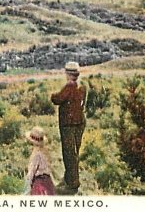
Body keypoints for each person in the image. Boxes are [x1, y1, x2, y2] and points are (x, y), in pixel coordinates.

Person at [50, 61, 86, 192]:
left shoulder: (69, 86)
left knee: (69, 153)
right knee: (74, 152)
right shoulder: (82, 86)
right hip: (79, 122)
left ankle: (72, 184)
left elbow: (57, 99)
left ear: (68, 74)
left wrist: (52, 95)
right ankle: (69, 178)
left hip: (68, 123)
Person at [25, 126, 55, 195]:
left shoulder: (36, 154)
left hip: (39, 183)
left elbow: (31, 172)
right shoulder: (45, 152)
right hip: (48, 183)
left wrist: (27, 187)